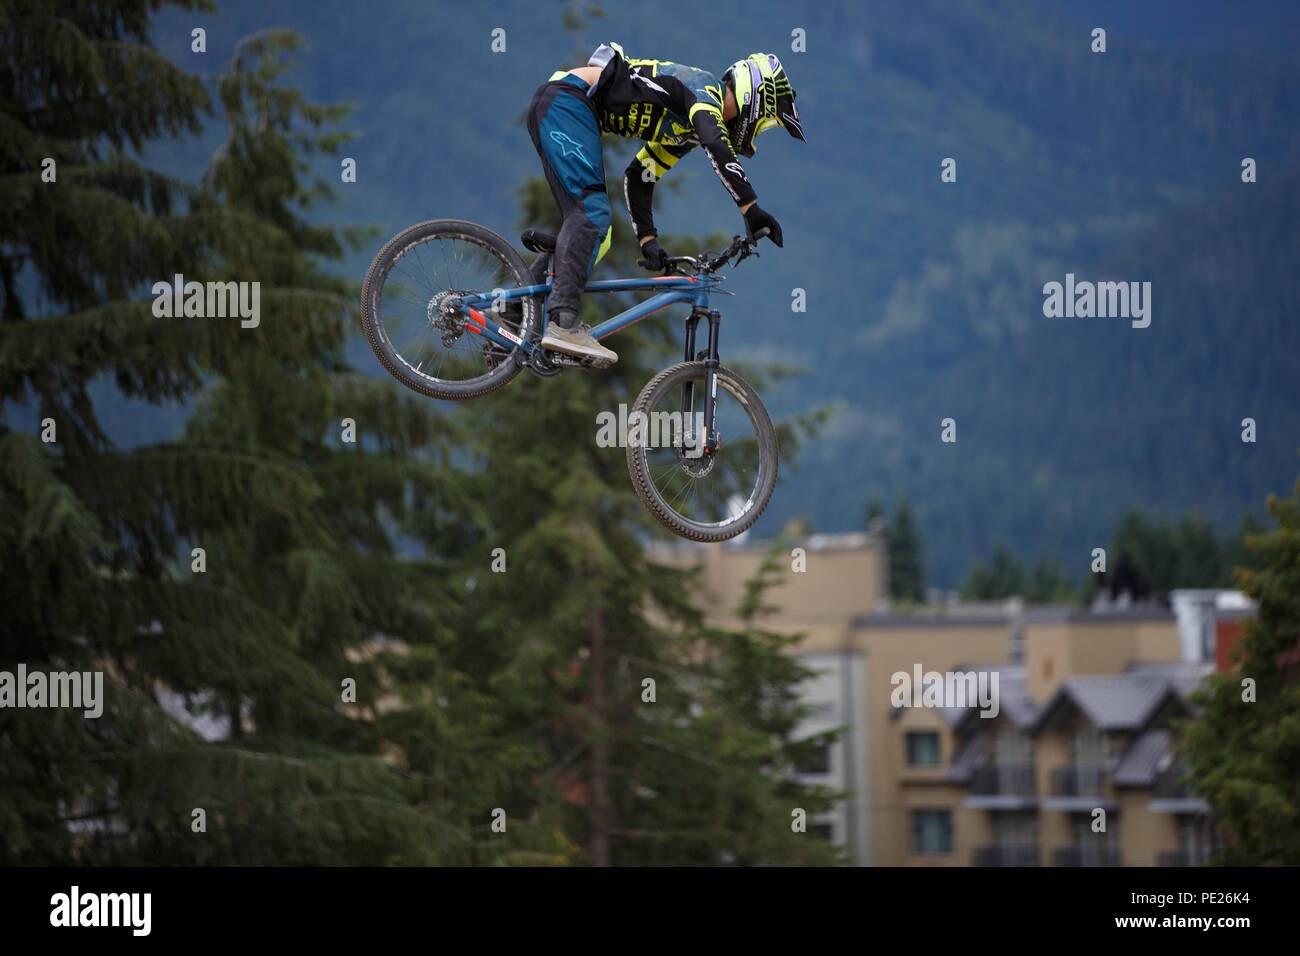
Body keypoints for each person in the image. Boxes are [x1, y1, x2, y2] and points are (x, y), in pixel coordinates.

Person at [524, 42, 805, 365]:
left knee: (597, 237)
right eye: (766, 121)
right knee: (592, 215)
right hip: (567, 102)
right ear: (752, 99)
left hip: (563, 107)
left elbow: (640, 176)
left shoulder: (686, 129)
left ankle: (515, 315)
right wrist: (750, 208)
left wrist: (648, 241)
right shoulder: (704, 91)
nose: (758, 131)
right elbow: (716, 142)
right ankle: (563, 324)